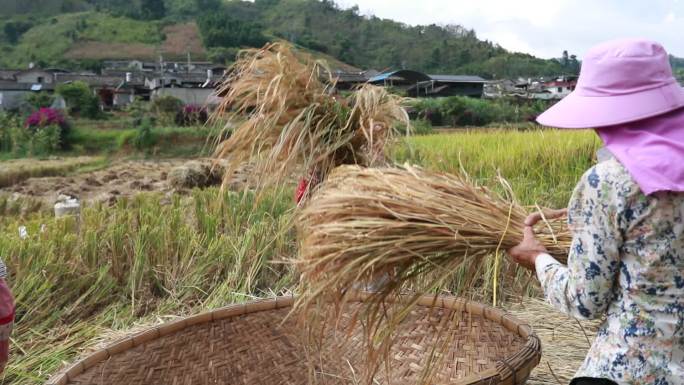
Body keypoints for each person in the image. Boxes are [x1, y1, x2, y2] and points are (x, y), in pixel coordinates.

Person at [508, 39, 684, 385]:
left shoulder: (608, 182)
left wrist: (538, 259)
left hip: (637, 368)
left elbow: (585, 301)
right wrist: (591, 217)